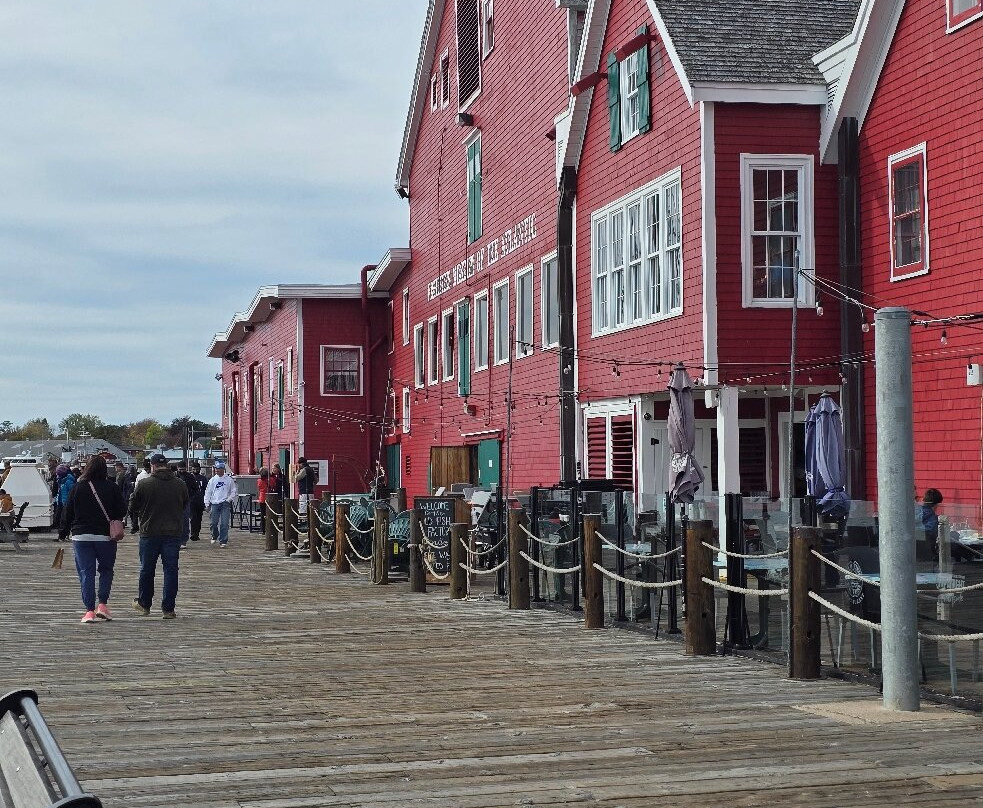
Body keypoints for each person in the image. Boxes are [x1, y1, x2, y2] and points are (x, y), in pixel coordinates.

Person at [58, 455, 127, 624]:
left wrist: (62, 532)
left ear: (87, 468)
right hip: (105, 536)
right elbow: (121, 510)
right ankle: (102, 605)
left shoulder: (78, 487)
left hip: (81, 536)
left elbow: (67, 513)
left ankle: (89, 611)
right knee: (106, 570)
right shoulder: (112, 487)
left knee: (86, 573)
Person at [130, 453, 189, 619]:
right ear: (167, 465)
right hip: (173, 532)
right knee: (171, 571)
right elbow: (185, 504)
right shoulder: (180, 484)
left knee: (147, 570)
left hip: (149, 532)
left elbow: (133, 507)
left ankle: (144, 604)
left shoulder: (144, 484)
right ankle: (168, 608)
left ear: (152, 466)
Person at [204, 460, 237, 547]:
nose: (217, 471)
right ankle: (214, 535)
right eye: (216, 469)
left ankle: (223, 540)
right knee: (213, 523)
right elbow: (208, 492)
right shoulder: (212, 480)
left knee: (224, 523)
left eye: (218, 469)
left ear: (223, 469)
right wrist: (207, 504)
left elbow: (233, 490)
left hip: (225, 504)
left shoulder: (229, 480)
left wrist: (229, 499)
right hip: (214, 503)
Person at [173, 461, 199, 549]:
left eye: (183, 469)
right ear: (177, 468)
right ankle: (175, 539)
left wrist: (191, 498)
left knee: (185, 521)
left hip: (186, 501)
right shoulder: (173, 476)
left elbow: (195, 489)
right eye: (180, 469)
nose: (182, 471)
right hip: (174, 502)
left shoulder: (190, 477)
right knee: (174, 521)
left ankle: (183, 540)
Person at [917, 488, 944, 560]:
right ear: (937, 504)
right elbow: (934, 534)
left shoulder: (914, 513)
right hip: (928, 555)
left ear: (923, 500)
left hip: (913, 554)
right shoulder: (933, 519)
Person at [54, 464, 76, 541]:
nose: (57, 475)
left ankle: (63, 536)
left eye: (58, 473)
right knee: (58, 519)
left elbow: (72, 492)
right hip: (60, 502)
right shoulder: (60, 480)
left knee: (64, 520)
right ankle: (62, 535)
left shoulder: (68, 481)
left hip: (66, 503)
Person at [189, 461, 207, 541]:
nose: (195, 470)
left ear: (199, 469)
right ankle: (193, 534)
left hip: (200, 500)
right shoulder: (189, 478)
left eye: (197, 469)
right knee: (193, 518)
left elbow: (206, 489)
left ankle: (197, 533)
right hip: (191, 501)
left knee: (199, 518)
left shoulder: (203, 478)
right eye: (194, 469)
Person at [256, 467, 269, 532]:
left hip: (262, 498)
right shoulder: (269, 480)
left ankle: (262, 529)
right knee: (268, 514)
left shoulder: (259, 481)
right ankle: (268, 528)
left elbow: (258, 489)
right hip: (269, 498)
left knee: (262, 514)